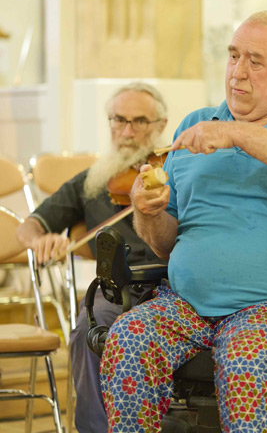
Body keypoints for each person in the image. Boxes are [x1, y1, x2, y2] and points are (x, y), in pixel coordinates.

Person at [99, 10, 267, 432]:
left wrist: (239, 133)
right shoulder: (195, 126)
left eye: (254, 61)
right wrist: (149, 213)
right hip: (184, 304)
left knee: (245, 361)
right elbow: (166, 242)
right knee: (128, 338)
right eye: (233, 56)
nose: (237, 72)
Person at [16, 82, 169, 433]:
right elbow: (28, 228)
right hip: (118, 288)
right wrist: (43, 241)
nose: (127, 131)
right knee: (90, 326)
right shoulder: (94, 181)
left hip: (172, 284)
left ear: (161, 125)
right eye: (119, 120)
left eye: (140, 121)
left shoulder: (173, 170)